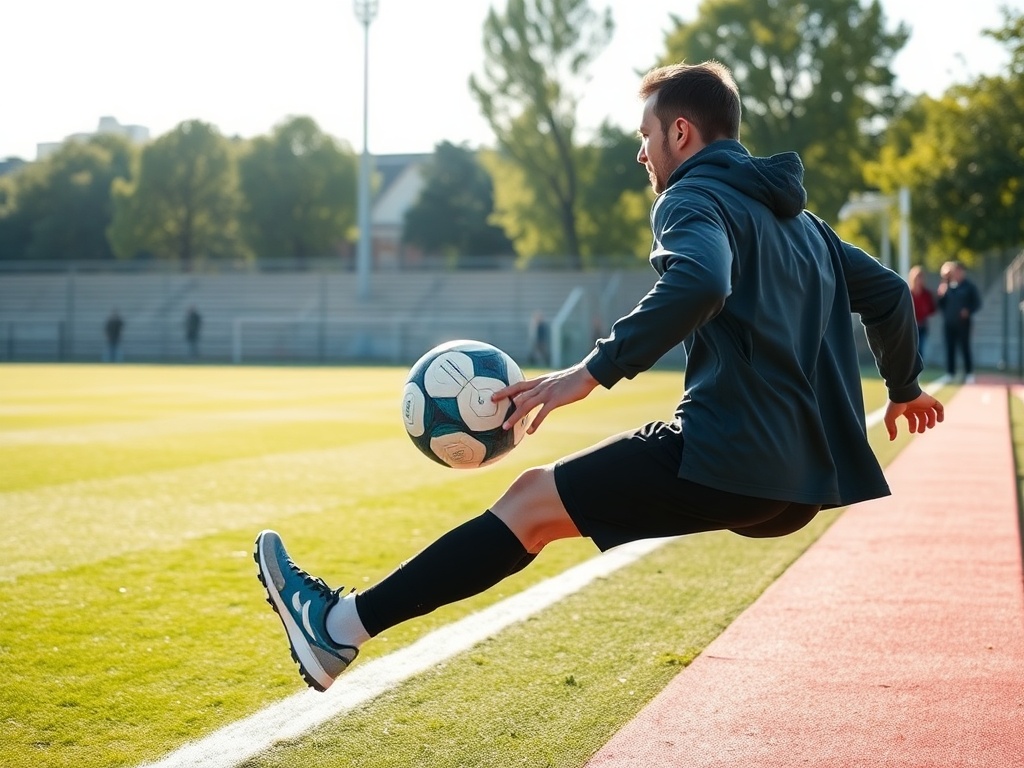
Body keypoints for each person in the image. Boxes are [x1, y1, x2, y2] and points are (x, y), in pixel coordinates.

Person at [255, 60, 944, 693]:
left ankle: (336, 630)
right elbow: (886, 292)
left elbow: (702, 280)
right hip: (801, 488)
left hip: (733, 459)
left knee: (527, 505)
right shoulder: (807, 226)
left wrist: (591, 371)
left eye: (646, 134)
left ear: (681, 131)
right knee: (542, 513)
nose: (641, 152)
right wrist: (904, 386)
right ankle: (340, 629)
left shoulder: (690, 199)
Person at [936, 260, 982, 383]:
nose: (956, 274)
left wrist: (968, 310)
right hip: (949, 323)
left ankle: (969, 373)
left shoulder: (969, 286)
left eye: (958, 271)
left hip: (963, 324)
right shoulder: (947, 286)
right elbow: (940, 304)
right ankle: (950, 373)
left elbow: (977, 303)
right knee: (950, 348)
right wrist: (941, 293)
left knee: (965, 348)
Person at [908, 265, 936, 360]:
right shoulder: (908, 293)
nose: (919, 280)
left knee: (921, 348)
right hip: (911, 326)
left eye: (921, 278)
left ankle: (918, 370)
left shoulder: (926, 294)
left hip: (922, 326)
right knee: (911, 349)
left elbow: (932, 309)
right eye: (917, 278)